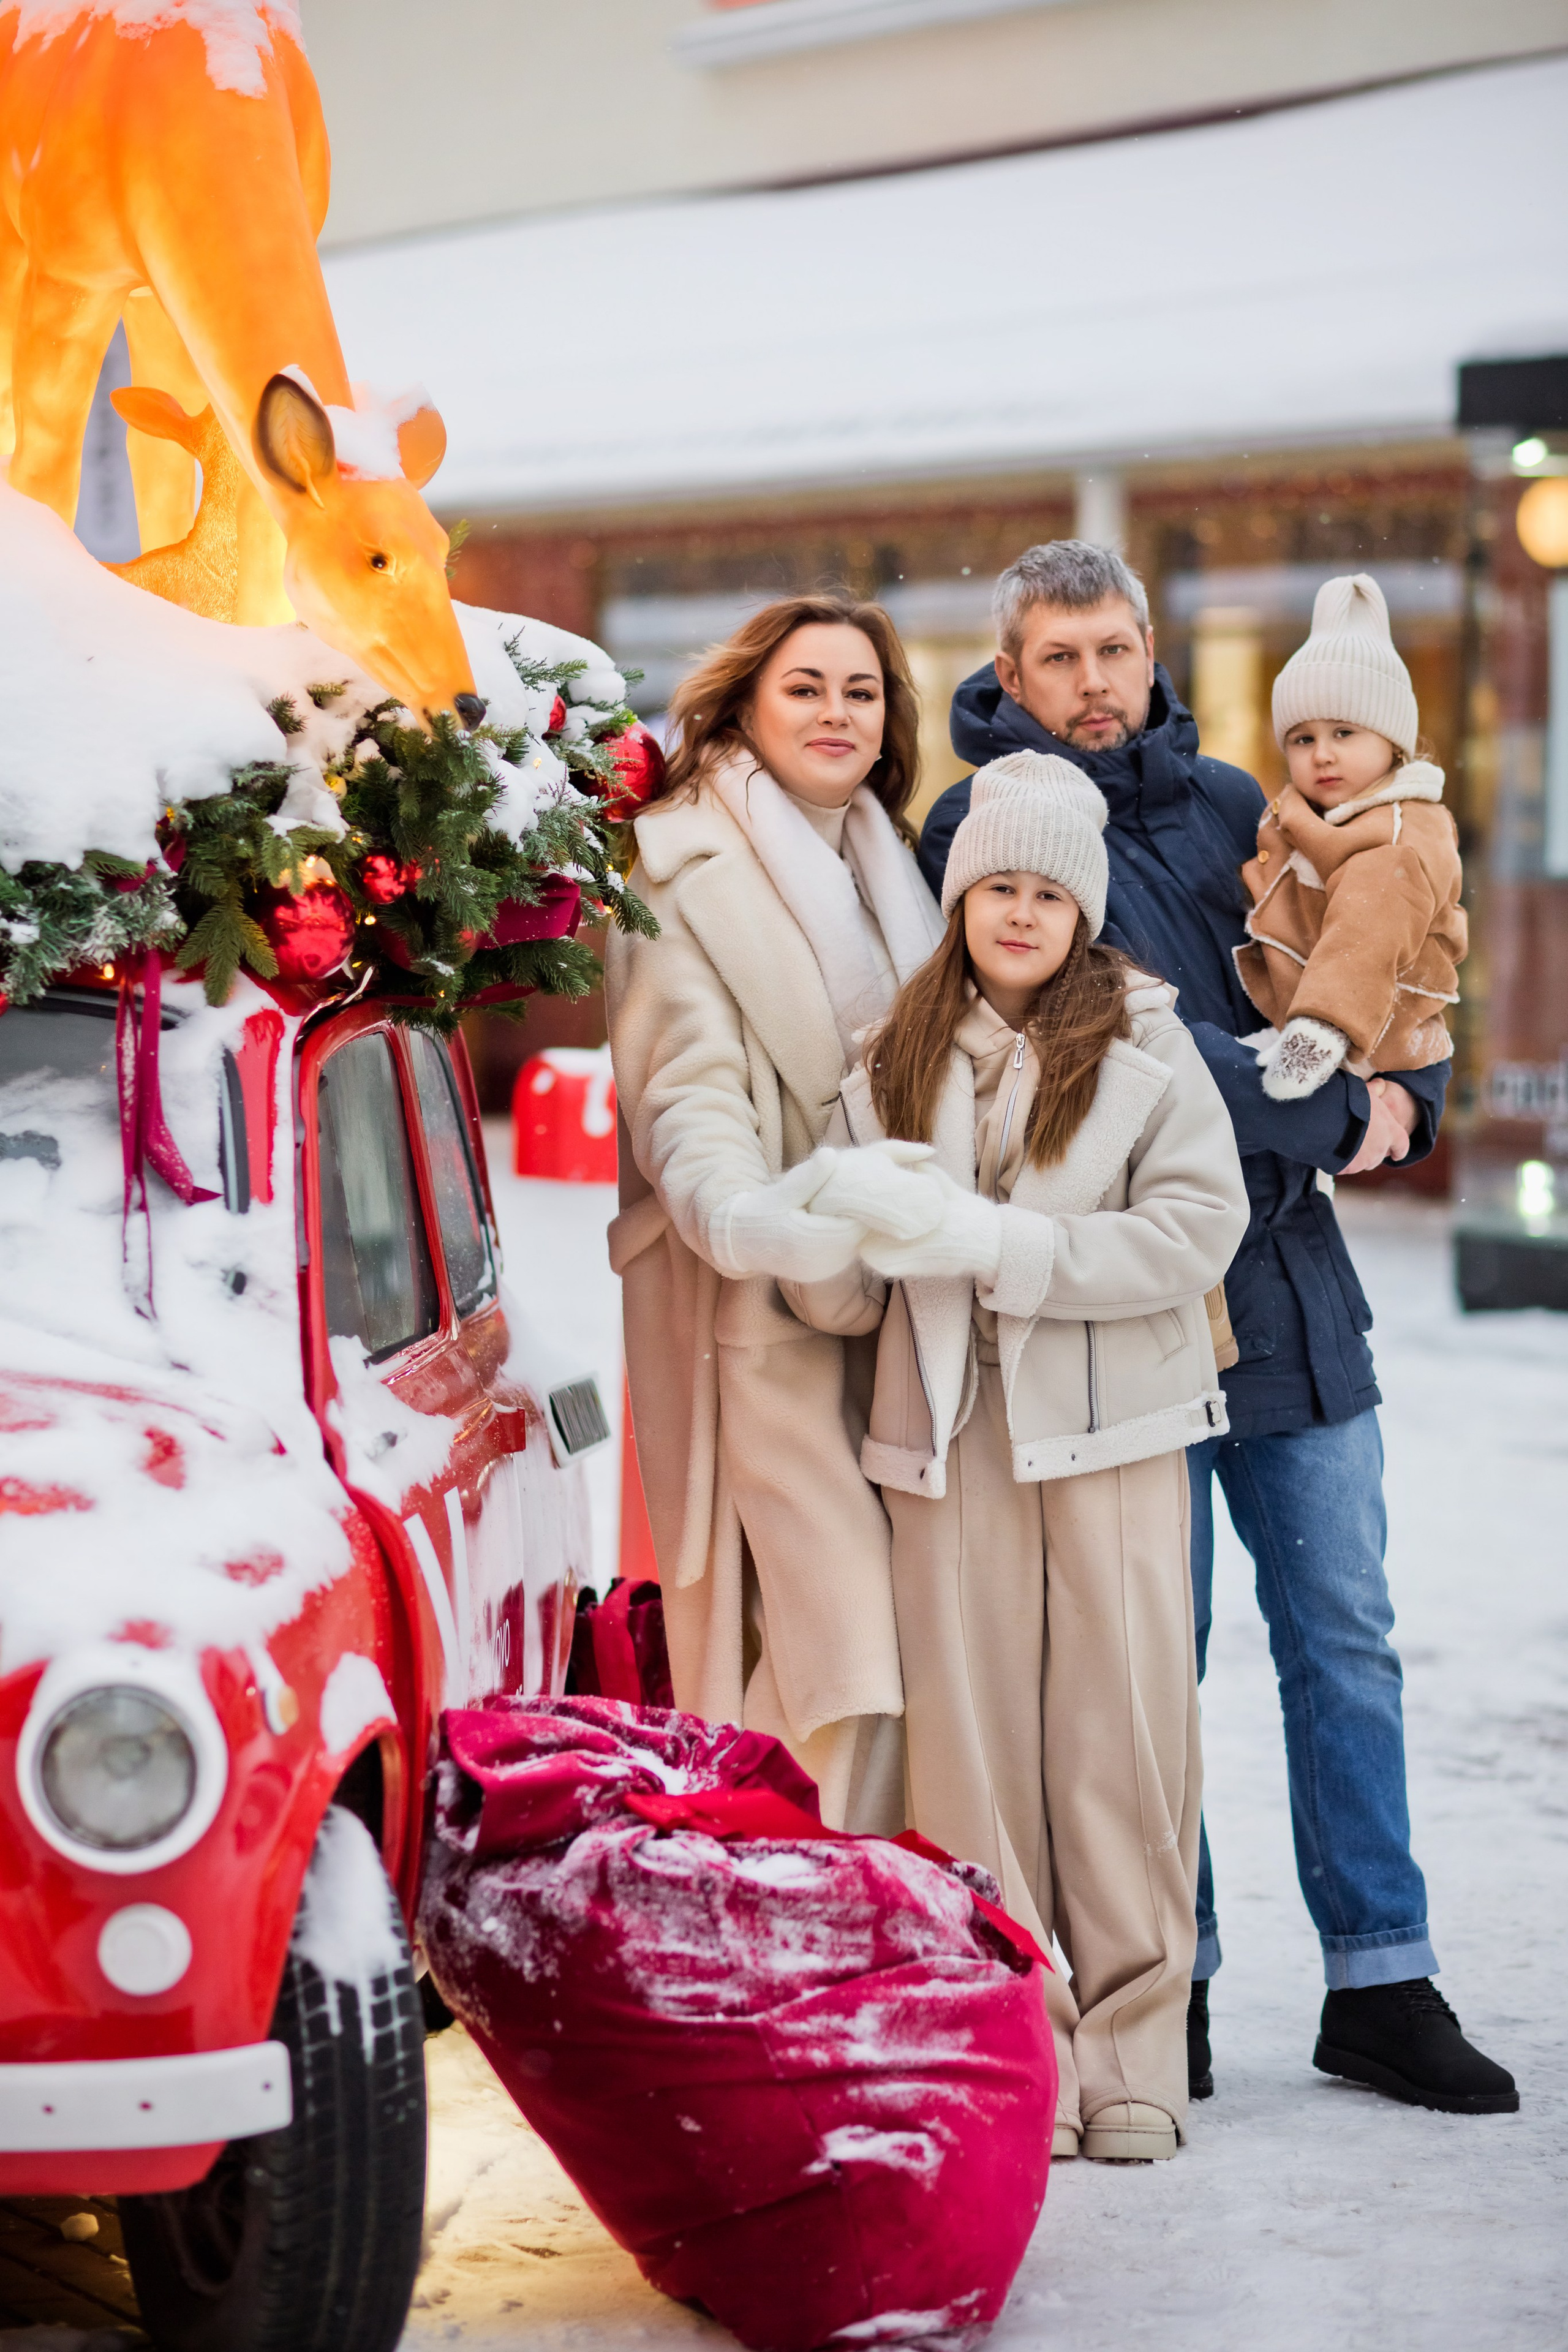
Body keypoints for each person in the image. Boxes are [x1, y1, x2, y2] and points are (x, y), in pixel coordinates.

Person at [918, 540, 1518, 2117]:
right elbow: (1100, 1044)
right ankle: (1155, 1982)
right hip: (1123, 1313)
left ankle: (1380, 1980)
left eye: (1116, 648)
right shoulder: (980, 832)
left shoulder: (1245, 801)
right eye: (1060, 657)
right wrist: (1319, 1113)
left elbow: (1384, 962)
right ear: (1008, 669)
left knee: (1345, 1643)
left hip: (1294, 1303)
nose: (1095, 681)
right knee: (1137, 1666)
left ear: (1147, 648)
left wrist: (1406, 1092)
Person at [783, 752, 1248, 2162]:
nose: (1021, 911)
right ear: (962, 897)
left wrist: (1006, 1247)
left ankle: (1130, 2059)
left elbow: (1193, 1230)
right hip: (945, 1441)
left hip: (1111, 1440)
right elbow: (839, 1294)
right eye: (998, 884)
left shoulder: (1152, 1047)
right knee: (969, 1759)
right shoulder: (883, 1058)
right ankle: (1017, 2048)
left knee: (1117, 1747)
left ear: (1080, 907)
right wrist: (827, 1228)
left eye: (1048, 890)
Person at [604, 594, 951, 1829]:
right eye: (804, 686)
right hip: (755, 1304)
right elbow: (681, 1091)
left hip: (904, 1301)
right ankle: (788, 1906)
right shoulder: (679, 867)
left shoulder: (893, 864)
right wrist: (751, 1216)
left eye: (859, 691)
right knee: (834, 1633)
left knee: (896, 1641)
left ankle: (835, 1914)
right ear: (746, 702)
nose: (834, 712)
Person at [1237, 573, 1466, 1101]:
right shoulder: (1299, 819)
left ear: (1392, 744)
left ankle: (1318, 1035)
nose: (1322, 754)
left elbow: (1368, 934)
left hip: (1380, 1027)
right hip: (1308, 1025)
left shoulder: (1406, 829)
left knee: (1380, 883)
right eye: (1303, 738)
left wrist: (1318, 1029)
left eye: (1345, 733)